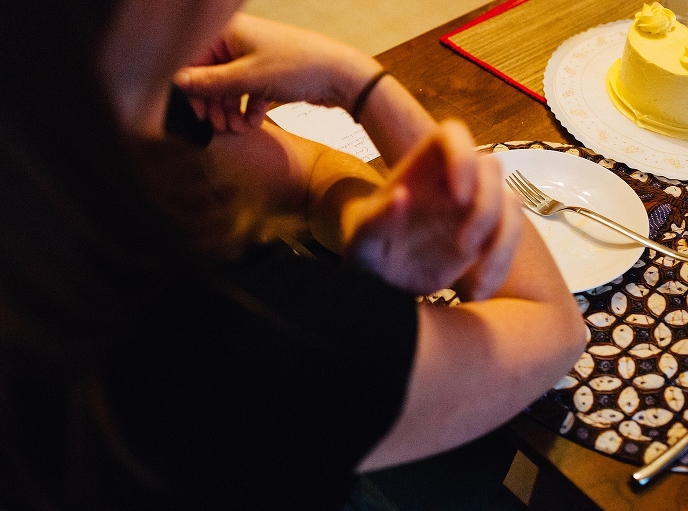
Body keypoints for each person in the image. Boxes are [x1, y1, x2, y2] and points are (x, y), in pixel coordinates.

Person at [0, 1, 585, 509]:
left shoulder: (69, 119)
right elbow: (554, 327)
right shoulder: (247, 332)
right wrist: (355, 82)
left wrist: (362, 226)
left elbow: (305, 174)